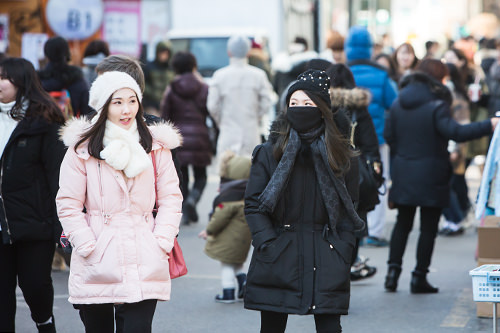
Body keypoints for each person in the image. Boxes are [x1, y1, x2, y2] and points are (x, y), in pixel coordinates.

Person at [56, 71, 183, 332]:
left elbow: (171, 197)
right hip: (97, 255)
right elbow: (68, 202)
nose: (127, 110)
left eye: (132, 101)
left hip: (144, 252)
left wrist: (161, 241)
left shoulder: (156, 145)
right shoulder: (82, 149)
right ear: (103, 106)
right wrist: (87, 244)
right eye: (117, 102)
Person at [244, 69, 365, 333]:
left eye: (308, 104)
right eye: (293, 103)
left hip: (327, 254)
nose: (299, 109)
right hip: (278, 254)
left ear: (322, 108)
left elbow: (350, 207)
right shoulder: (269, 152)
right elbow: (254, 204)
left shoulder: (342, 156)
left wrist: (343, 248)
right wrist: (267, 242)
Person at [384, 59, 498, 294]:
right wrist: (489, 124)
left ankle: (392, 274)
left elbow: (389, 136)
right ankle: (419, 277)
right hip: (432, 172)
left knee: (402, 224)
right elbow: (455, 132)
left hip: (404, 170)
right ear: (437, 78)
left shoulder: (398, 103)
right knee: (428, 228)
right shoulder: (437, 104)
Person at [0, 57, 66, 333]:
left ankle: (45, 323)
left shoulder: (45, 118)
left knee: (35, 284)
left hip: (34, 222)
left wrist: (61, 225)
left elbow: (57, 175)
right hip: (1, 223)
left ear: (21, 81)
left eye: (4, 77)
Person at [345, 26, 398, 247]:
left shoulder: (341, 71)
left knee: (348, 182)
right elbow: (393, 104)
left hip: (345, 139)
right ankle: (374, 232)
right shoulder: (381, 73)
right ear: (369, 49)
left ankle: (352, 226)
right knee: (377, 180)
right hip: (376, 139)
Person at [327, 63, 381, 281]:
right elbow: (370, 145)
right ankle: (349, 265)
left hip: (327, 171)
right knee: (354, 222)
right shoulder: (359, 107)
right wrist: (375, 170)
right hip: (354, 175)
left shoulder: (320, 105)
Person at [160, 51, 211, 224]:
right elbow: (211, 112)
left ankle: (187, 211)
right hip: (200, 137)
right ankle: (193, 201)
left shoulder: (172, 88)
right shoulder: (204, 87)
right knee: (201, 176)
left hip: (178, 138)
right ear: (193, 66)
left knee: (183, 177)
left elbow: (165, 116)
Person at [198, 151, 252, 303]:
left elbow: (219, 218)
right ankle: (244, 284)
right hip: (242, 238)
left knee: (227, 264)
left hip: (229, 239)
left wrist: (208, 231)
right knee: (237, 262)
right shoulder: (247, 192)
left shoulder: (228, 198)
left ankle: (228, 292)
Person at [207, 35, 273, 158]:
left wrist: (221, 121)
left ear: (229, 52)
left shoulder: (219, 76)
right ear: (248, 52)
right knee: (252, 171)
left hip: (227, 133)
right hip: (251, 134)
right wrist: (256, 117)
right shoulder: (259, 75)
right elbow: (267, 102)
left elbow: (212, 106)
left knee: (227, 172)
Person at [439, 63, 472, 236]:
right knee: (449, 184)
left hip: (453, 148)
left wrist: (456, 149)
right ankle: (453, 220)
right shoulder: (441, 94)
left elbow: (462, 123)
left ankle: (456, 219)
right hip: (447, 148)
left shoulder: (455, 96)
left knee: (450, 184)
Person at [38, 36, 92, 117]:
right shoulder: (78, 80)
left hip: (42, 128)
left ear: (46, 54)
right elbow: (87, 112)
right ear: (67, 53)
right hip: (70, 127)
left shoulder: (37, 81)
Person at [143, 40, 175, 116]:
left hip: (169, 105)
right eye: (162, 53)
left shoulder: (172, 69)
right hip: (151, 104)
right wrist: (153, 93)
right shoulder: (149, 67)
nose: (163, 56)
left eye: (166, 53)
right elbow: (143, 83)